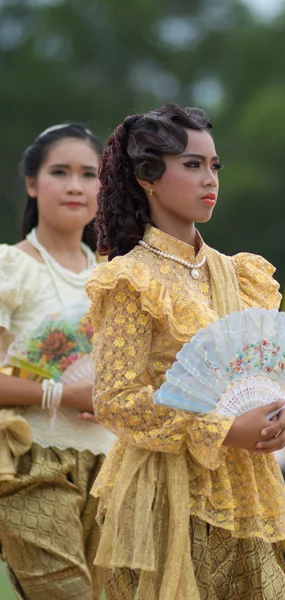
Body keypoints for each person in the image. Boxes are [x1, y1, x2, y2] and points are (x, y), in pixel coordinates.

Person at [87, 103, 285, 600]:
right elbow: (117, 398)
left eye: (214, 165)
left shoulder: (240, 274)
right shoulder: (130, 278)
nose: (208, 178)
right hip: (163, 492)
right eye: (192, 164)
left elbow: (278, 377)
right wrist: (220, 428)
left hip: (244, 493)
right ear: (148, 177)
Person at [0, 123, 115, 600]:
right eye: (60, 172)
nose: (75, 186)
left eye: (89, 174)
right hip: (31, 465)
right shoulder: (11, 266)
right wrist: (63, 393)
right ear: (32, 183)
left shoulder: (117, 276)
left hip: (114, 470)